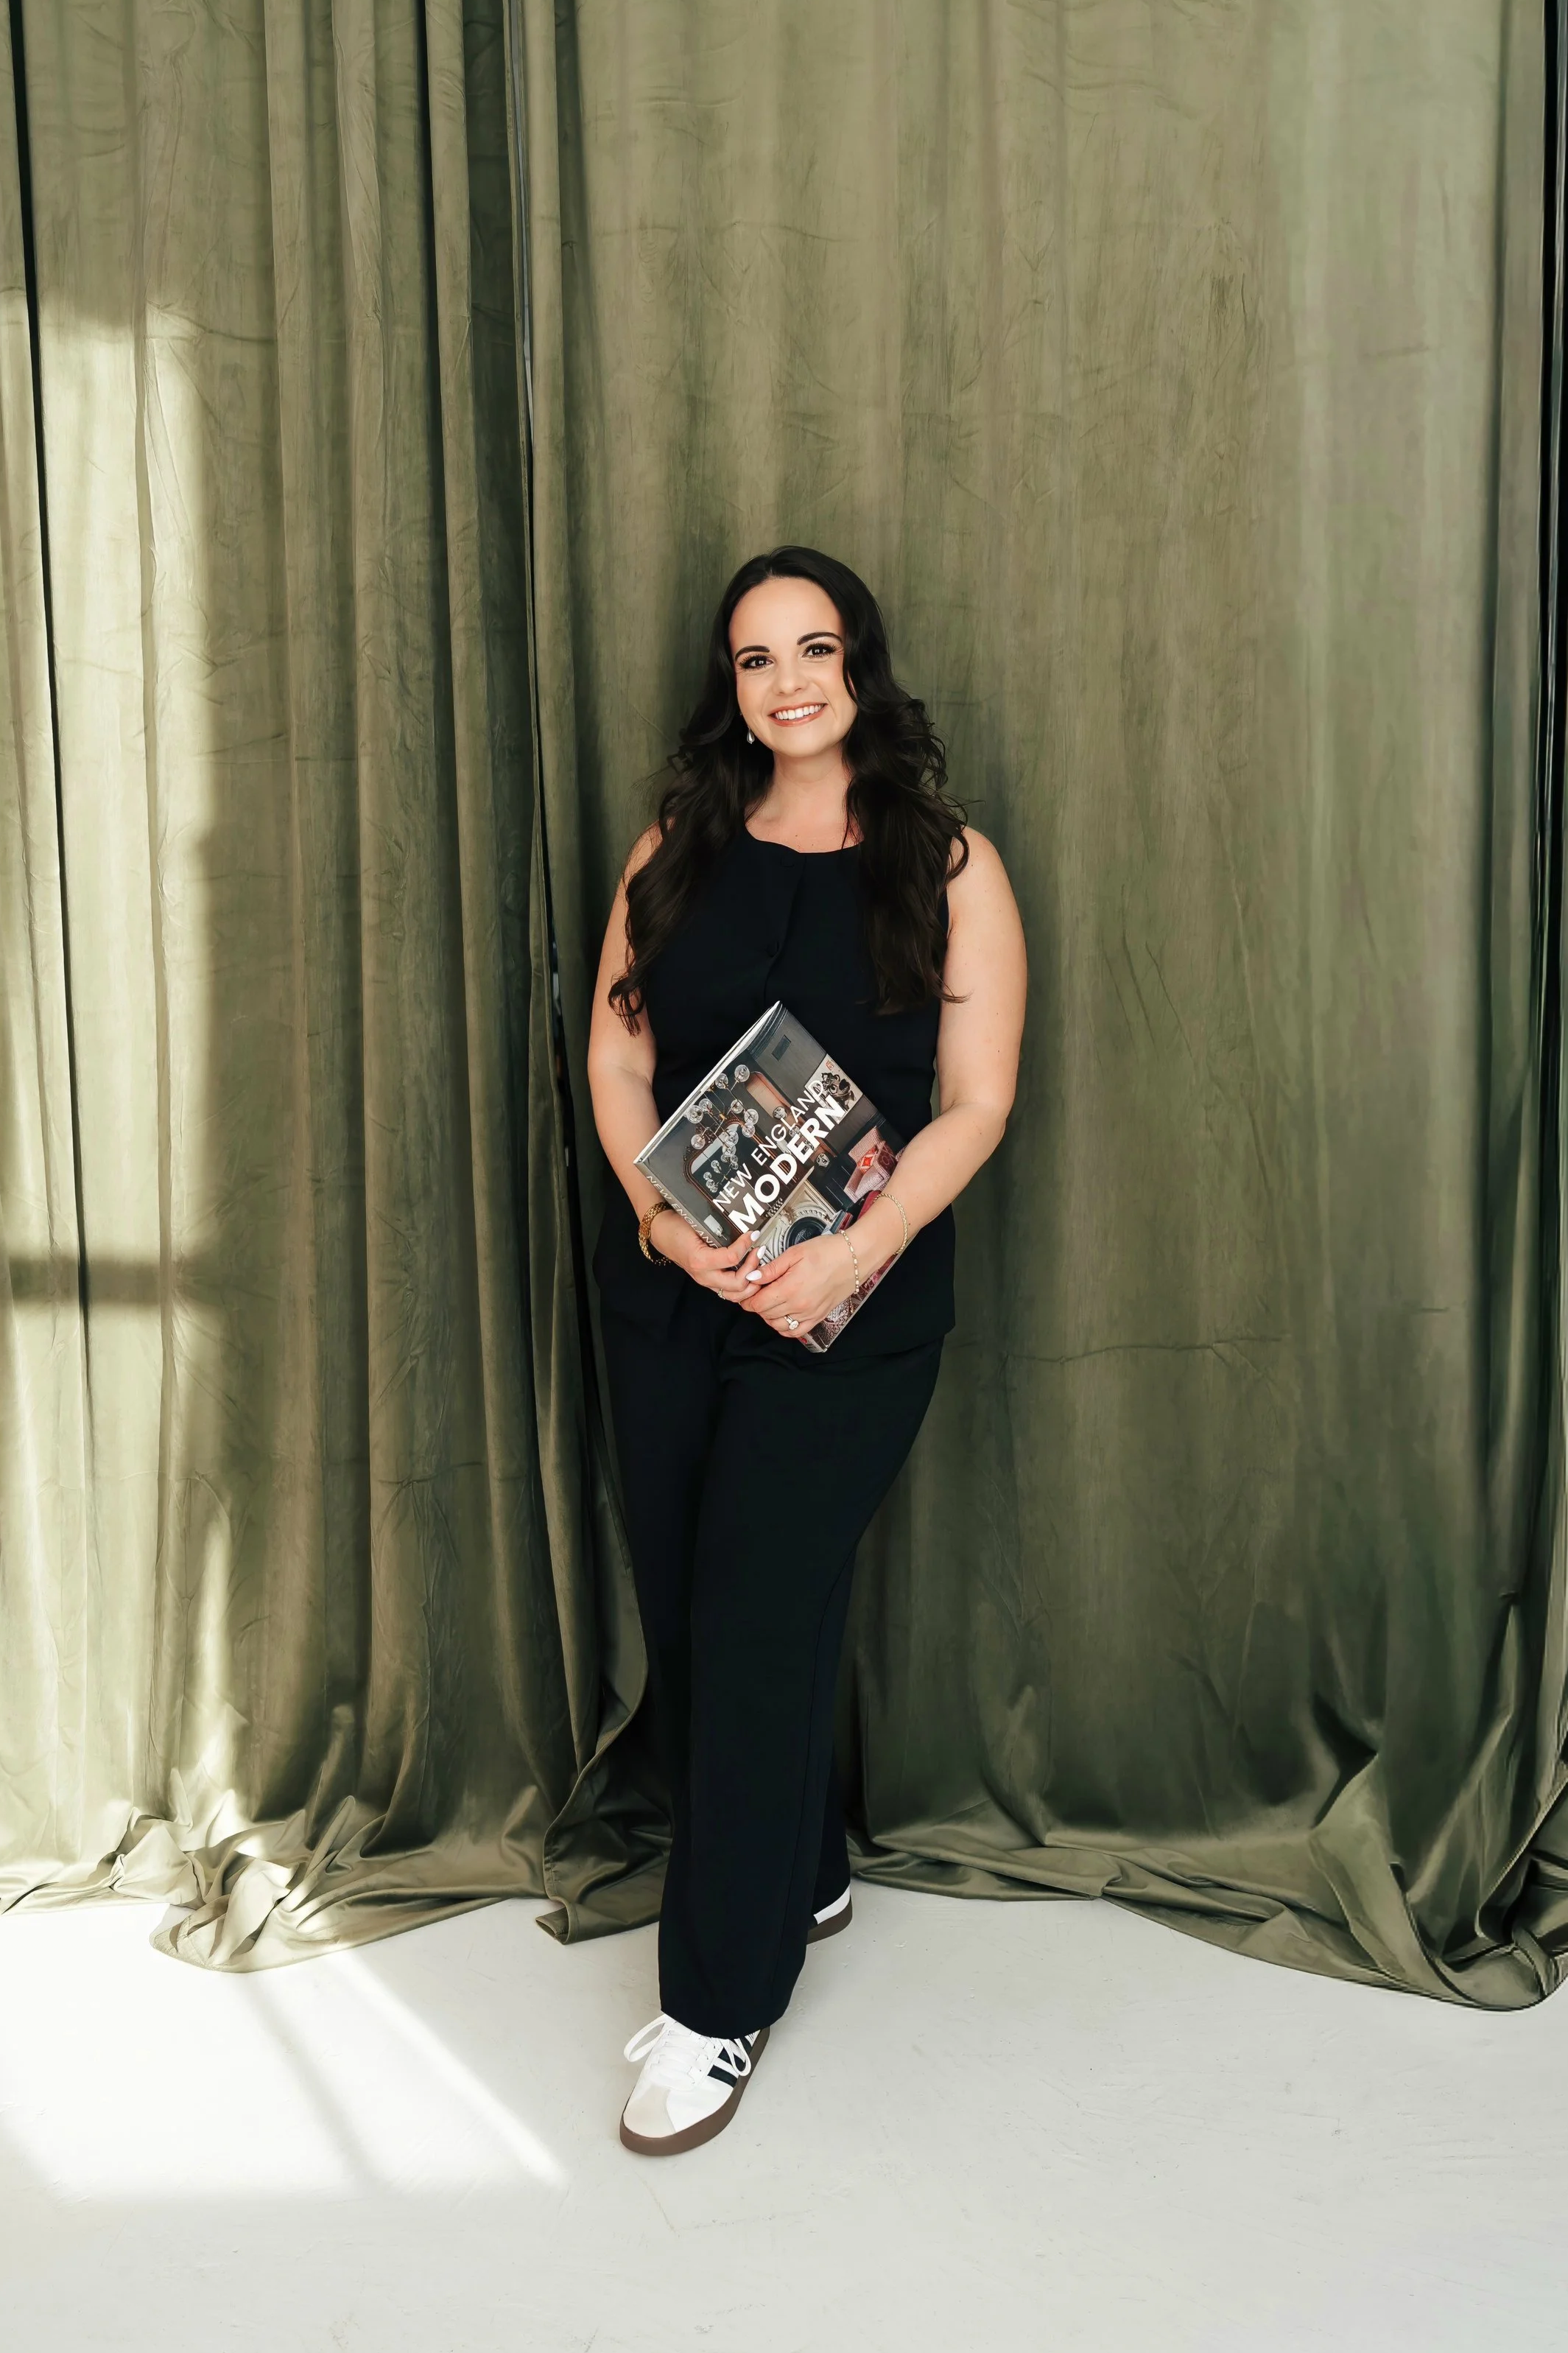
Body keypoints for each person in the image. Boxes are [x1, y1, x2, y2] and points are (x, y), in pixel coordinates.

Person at [586, 544, 1027, 2155]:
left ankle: (716, 2002)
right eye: (756, 657)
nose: (787, 680)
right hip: (676, 1295)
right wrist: (650, 1215)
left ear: (861, 666)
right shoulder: (682, 842)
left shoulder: (946, 858)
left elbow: (972, 1102)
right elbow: (617, 1053)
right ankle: (806, 1870)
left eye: (815, 647)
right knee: (695, 1618)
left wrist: (854, 1242)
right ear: (731, 685)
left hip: (854, 1310)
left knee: (761, 1613)